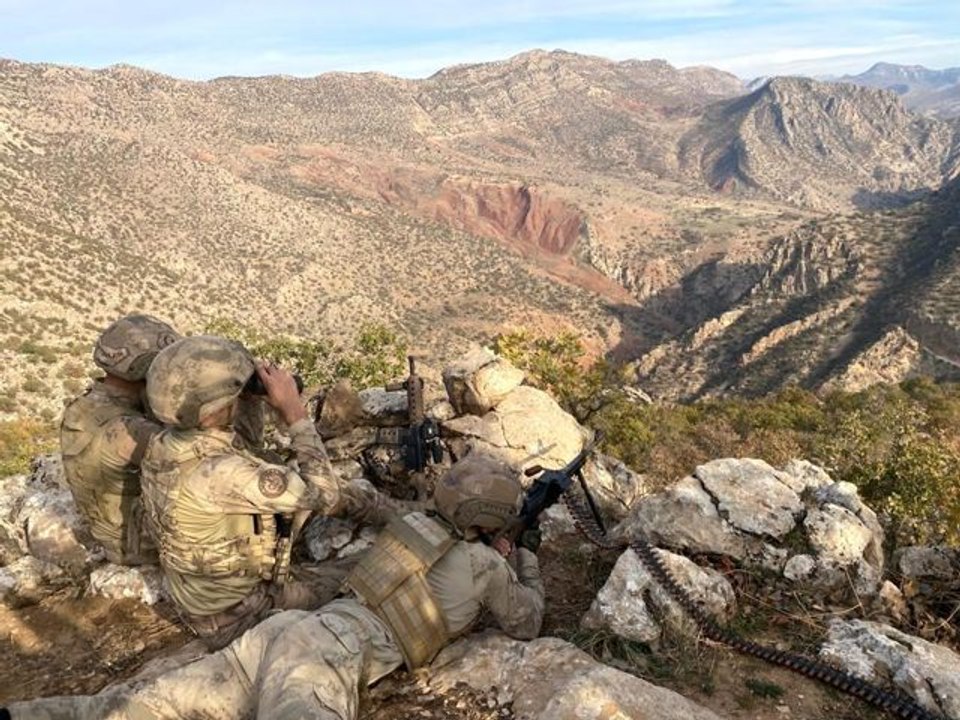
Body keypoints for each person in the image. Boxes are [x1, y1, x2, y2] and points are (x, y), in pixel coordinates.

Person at [4, 453, 544, 720]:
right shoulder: (486, 567)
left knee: (138, 705)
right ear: (492, 520)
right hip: (326, 658)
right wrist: (525, 559)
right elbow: (528, 622)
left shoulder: (411, 525)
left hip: (290, 630)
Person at [140, 334, 404, 649]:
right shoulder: (223, 473)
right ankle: (412, 522)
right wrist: (294, 412)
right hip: (241, 616)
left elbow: (247, 449)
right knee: (377, 563)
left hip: (202, 601)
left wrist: (247, 397)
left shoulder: (165, 443)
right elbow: (326, 495)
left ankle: (399, 516)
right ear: (217, 404)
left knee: (338, 493)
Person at [60, 314, 180, 565]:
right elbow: (211, 462)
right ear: (146, 370)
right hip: (139, 547)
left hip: (110, 532)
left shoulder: (83, 406)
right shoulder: (130, 430)